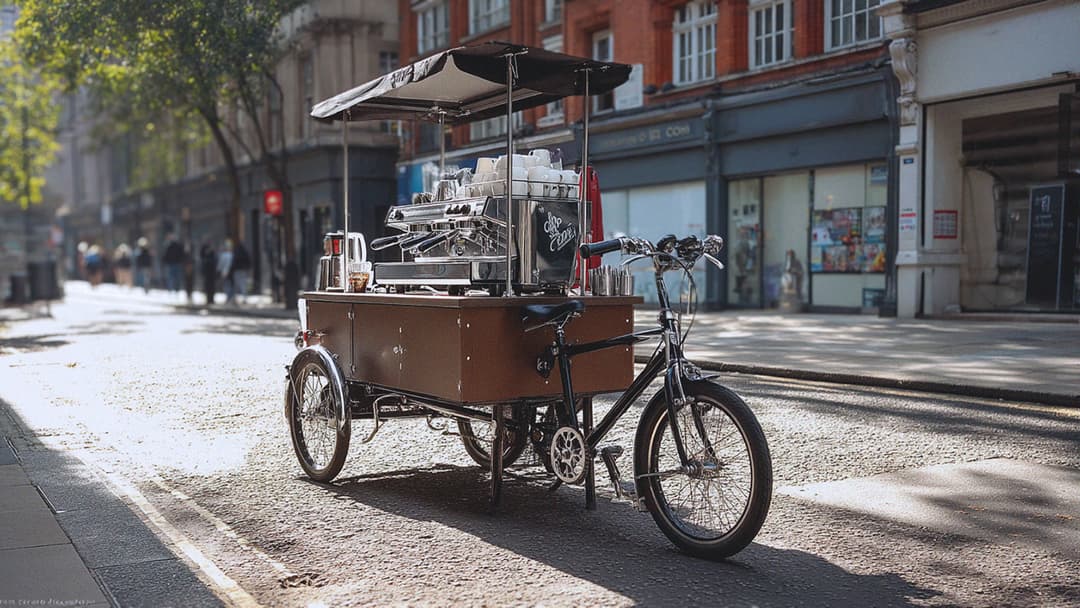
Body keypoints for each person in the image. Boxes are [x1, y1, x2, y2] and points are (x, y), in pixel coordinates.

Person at [230, 240, 252, 305]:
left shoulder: (236, 252)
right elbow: (249, 261)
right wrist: (248, 268)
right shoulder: (245, 252)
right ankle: (244, 298)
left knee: (236, 285)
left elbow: (233, 262)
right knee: (243, 284)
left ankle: (235, 299)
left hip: (237, 270)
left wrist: (232, 269)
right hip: (243, 270)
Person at [199, 240, 218, 306]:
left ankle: (211, 299)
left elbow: (215, 261)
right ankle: (208, 299)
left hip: (212, 273)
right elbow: (202, 257)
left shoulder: (213, 253)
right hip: (207, 272)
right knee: (207, 286)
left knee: (212, 286)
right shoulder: (204, 250)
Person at [218, 239, 235, 304]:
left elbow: (220, 264)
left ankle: (229, 297)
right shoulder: (232, 255)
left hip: (225, 272)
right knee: (230, 285)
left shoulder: (224, 255)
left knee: (227, 285)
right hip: (230, 272)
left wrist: (219, 270)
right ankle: (230, 297)